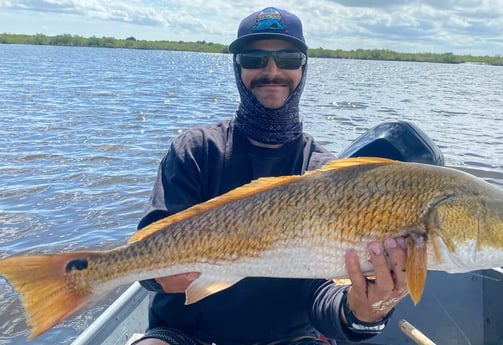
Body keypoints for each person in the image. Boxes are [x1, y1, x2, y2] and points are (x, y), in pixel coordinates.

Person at [133, 7, 408, 345]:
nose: (272, 71)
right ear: (238, 67)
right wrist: (158, 276)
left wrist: (363, 311)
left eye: (288, 58)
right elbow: (146, 252)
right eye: (255, 58)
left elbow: (321, 292)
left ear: (303, 68)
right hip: (183, 335)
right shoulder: (195, 151)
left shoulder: (323, 175)